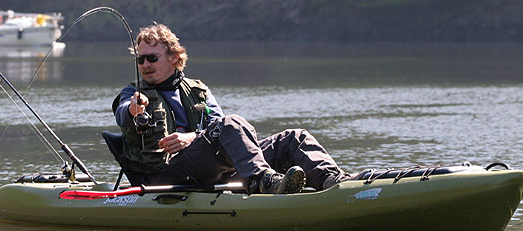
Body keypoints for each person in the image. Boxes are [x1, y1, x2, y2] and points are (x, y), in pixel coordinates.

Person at [112, 22, 350, 194]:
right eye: (140, 59)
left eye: (152, 58)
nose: (145, 65)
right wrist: (134, 109)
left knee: (294, 138)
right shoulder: (132, 94)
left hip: (210, 168)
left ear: (174, 57)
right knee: (232, 123)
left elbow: (218, 126)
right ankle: (264, 182)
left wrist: (191, 138)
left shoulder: (198, 90)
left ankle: (334, 183)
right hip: (163, 176)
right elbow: (123, 112)